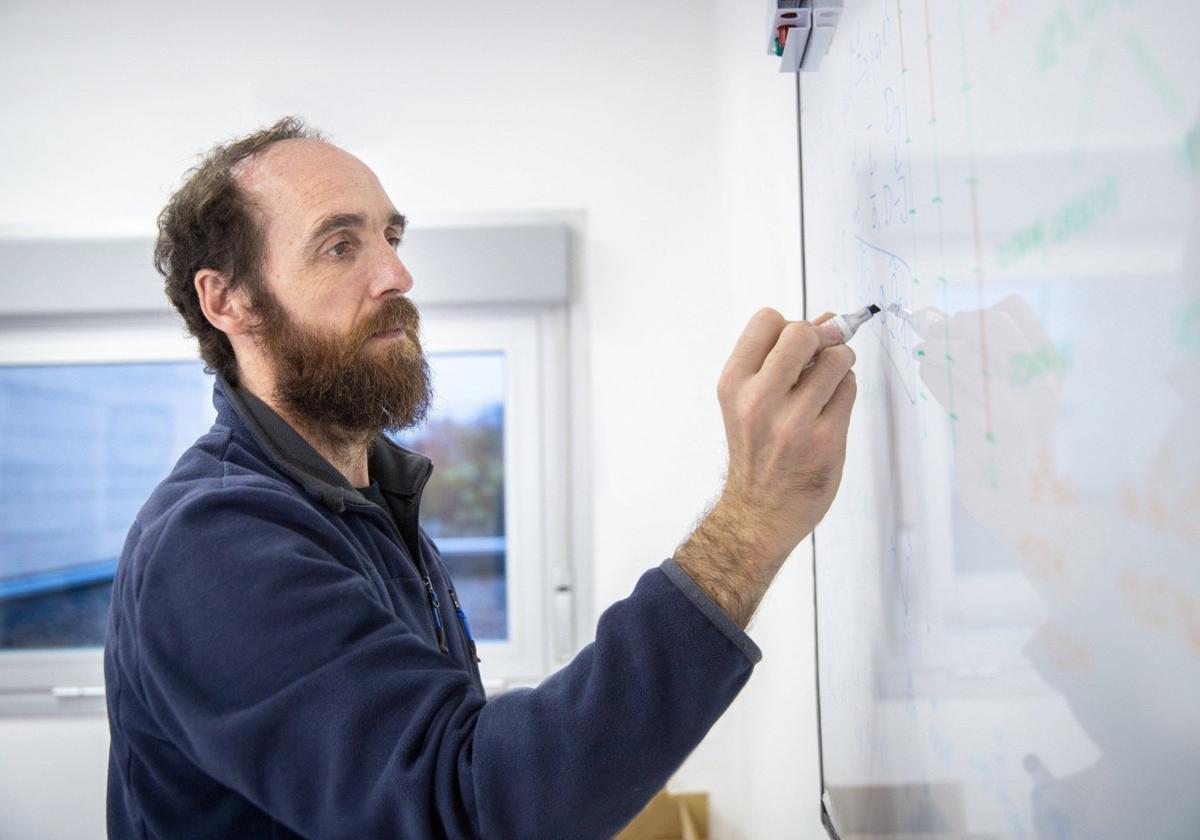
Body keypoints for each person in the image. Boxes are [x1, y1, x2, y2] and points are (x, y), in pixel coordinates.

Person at [103, 116, 858, 839]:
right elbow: (468, 807)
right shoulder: (215, 543)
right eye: (339, 246)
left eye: (390, 237)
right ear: (226, 299)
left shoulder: (365, 504)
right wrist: (750, 522)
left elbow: (451, 754)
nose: (397, 274)